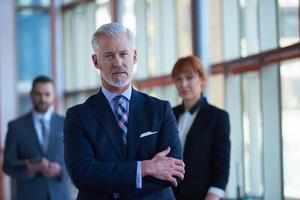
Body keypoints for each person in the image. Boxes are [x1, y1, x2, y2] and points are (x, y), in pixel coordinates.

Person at [63, 22, 184, 200]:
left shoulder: (160, 110)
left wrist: (111, 180)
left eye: (123, 54)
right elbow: (83, 174)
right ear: (96, 61)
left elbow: (173, 171)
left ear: (134, 56)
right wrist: (145, 168)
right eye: (109, 56)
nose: (118, 63)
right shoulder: (78, 116)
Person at [171, 55, 230, 200]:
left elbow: (221, 167)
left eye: (189, 77)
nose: (183, 84)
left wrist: (212, 197)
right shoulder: (169, 114)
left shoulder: (218, 117)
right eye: (178, 79)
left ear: (202, 80)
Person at [3, 76, 71, 200]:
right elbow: (7, 165)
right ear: (31, 95)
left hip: (60, 195)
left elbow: (77, 160)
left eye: (47, 94)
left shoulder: (67, 124)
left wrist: (59, 170)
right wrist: (29, 167)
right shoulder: (16, 127)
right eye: (38, 94)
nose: (43, 99)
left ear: (53, 96)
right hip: (28, 195)